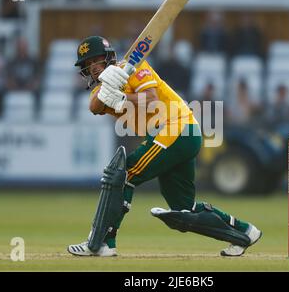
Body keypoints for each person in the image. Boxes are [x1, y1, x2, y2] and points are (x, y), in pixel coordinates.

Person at [67, 36, 262, 257]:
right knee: (183, 211)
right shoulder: (101, 90)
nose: (93, 68)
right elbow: (94, 106)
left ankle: (103, 242)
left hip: (176, 127)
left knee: (125, 174)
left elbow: (151, 100)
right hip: (177, 135)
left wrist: (122, 98)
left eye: (97, 60)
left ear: (109, 57)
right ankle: (243, 232)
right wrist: (108, 89)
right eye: (88, 64)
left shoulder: (134, 66)